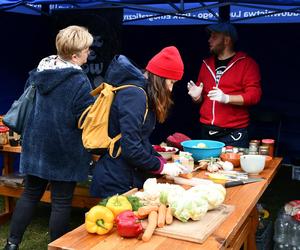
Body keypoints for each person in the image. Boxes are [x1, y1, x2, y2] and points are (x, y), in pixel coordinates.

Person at [4, 25, 94, 250]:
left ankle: (12, 244)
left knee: (30, 195)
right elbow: (85, 118)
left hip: (35, 145)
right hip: (64, 148)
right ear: (74, 55)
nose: (89, 53)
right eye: (86, 49)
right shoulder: (79, 81)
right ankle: (55, 247)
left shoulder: (40, 70)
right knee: (61, 203)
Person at [90, 46, 187, 198]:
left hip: (127, 176)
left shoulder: (142, 93)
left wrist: (159, 159)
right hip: (116, 181)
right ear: (160, 78)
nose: (170, 89)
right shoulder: (135, 95)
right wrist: (161, 167)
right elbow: (131, 147)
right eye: (171, 82)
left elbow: (140, 139)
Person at [187, 22, 262, 147]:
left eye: (214, 36)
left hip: (234, 135)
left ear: (227, 40)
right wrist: (196, 97)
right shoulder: (206, 64)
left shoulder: (247, 63)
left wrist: (226, 98)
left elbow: (254, 96)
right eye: (210, 36)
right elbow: (202, 100)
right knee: (208, 166)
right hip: (207, 132)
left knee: (232, 167)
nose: (209, 40)